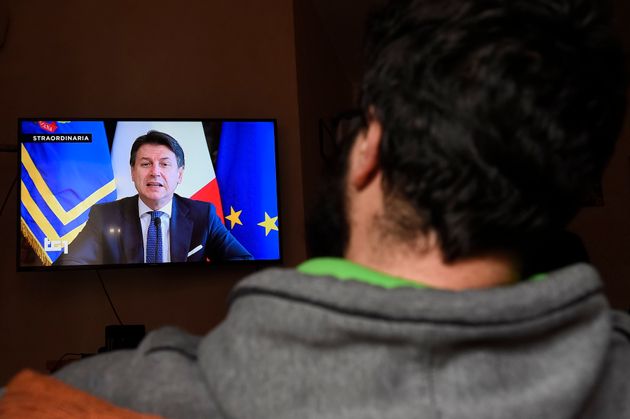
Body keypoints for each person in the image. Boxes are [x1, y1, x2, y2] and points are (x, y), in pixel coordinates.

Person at [24, 0, 629, 417]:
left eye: (165, 166)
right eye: (145, 166)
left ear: (369, 149)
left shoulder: (84, 400)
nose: (155, 176)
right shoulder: (103, 222)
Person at [56, 130, 252, 265]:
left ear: (180, 174)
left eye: (165, 164)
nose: (155, 172)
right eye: (145, 164)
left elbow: (243, 261)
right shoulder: (105, 216)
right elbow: (70, 262)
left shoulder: (203, 215)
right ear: (132, 172)